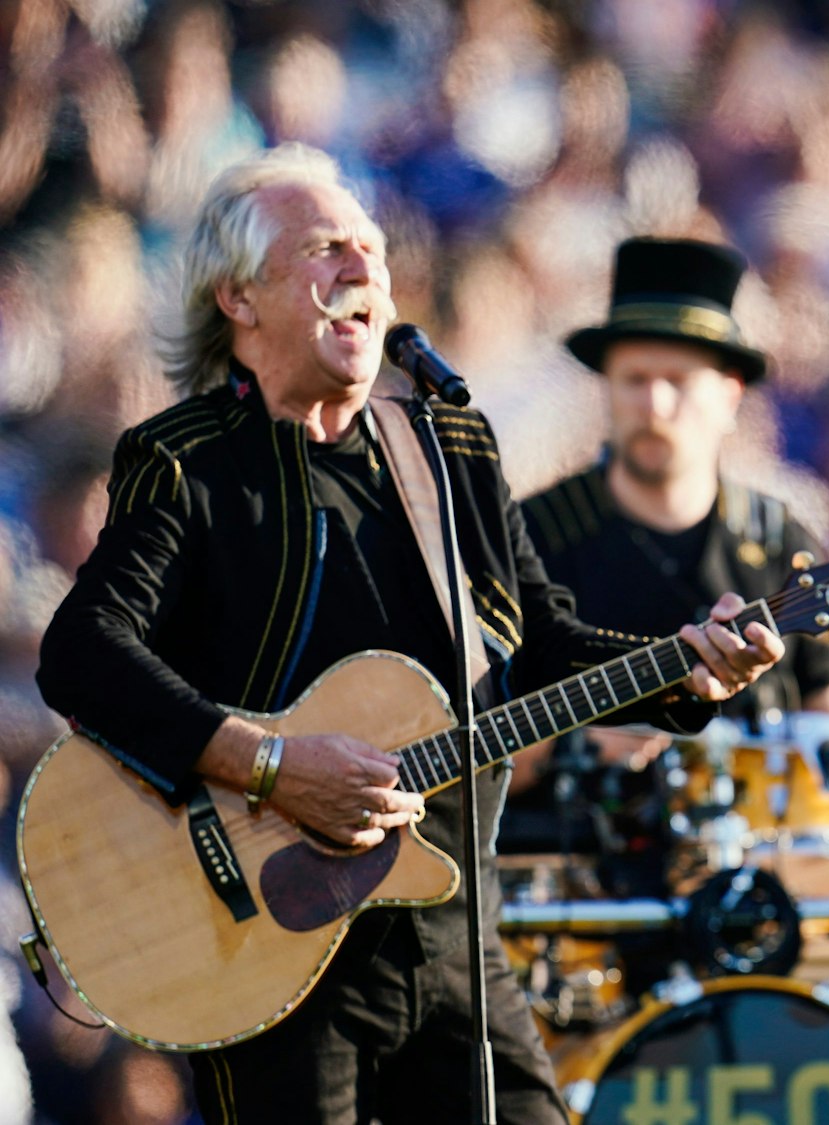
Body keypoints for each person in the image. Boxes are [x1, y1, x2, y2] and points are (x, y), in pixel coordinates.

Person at [34, 144, 785, 1124]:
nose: (361, 268)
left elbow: (543, 644)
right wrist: (265, 767)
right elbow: (81, 655)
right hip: (262, 942)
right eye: (323, 248)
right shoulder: (187, 464)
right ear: (240, 300)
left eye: (370, 248)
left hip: (448, 928)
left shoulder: (451, 447)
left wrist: (689, 673)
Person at [504, 239, 829, 858]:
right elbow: (460, 758)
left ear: (730, 396)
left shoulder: (776, 539)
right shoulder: (530, 537)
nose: (653, 405)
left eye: (676, 381)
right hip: (567, 883)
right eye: (634, 380)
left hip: (743, 887)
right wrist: (575, 746)